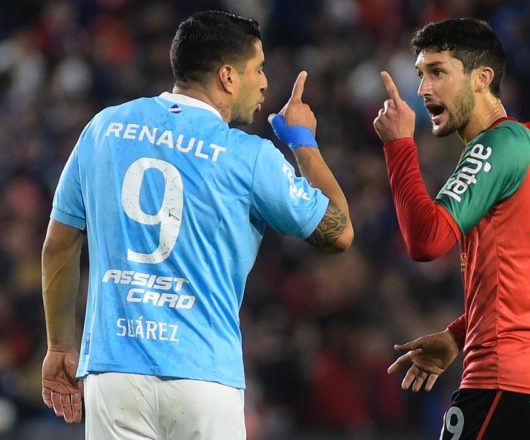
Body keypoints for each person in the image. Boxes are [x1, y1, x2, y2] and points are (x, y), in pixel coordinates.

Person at [41, 10, 353, 440]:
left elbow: (59, 243)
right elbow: (340, 232)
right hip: (204, 378)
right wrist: (304, 143)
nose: (264, 82)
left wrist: (59, 345)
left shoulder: (103, 129)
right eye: (258, 70)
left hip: (114, 376)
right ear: (228, 76)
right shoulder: (249, 155)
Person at [374, 18, 530, 439]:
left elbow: (426, 240)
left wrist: (399, 145)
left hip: (504, 387)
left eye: (438, 72)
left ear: (481, 79)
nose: (423, 90)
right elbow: (523, 274)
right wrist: (458, 334)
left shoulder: (495, 146)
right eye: (420, 74)